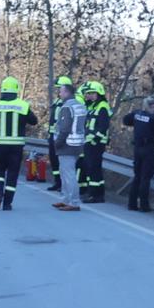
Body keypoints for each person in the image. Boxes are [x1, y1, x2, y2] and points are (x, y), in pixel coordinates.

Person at [0, 77, 38, 211]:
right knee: (13, 173)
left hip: (0, 145)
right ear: (16, 89)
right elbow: (34, 121)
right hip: (16, 147)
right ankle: (7, 203)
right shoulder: (23, 106)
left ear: (3, 89)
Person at [122, 97, 154, 212]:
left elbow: (125, 120)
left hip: (137, 148)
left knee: (137, 176)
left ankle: (132, 204)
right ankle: (144, 205)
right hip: (149, 149)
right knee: (146, 177)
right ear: (153, 106)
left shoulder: (136, 114)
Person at [50, 77, 83, 210]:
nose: (59, 94)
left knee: (68, 174)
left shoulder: (67, 107)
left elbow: (64, 128)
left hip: (67, 144)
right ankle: (66, 199)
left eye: (61, 92)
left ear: (67, 93)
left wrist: (57, 143)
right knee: (65, 173)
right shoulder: (79, 105)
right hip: (77, 143)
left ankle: (73, 202)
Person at [78, 81, 112, 204]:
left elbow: (104, 126)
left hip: (96, 143)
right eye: (88, 93)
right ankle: (96, 194)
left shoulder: (102, 106)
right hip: (90, 142)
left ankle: (95, 195)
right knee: (92, 168)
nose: (89, 96)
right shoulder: (93, 106)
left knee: (93, 168)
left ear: (99, 93)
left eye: (92, 93)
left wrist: (95, 139)